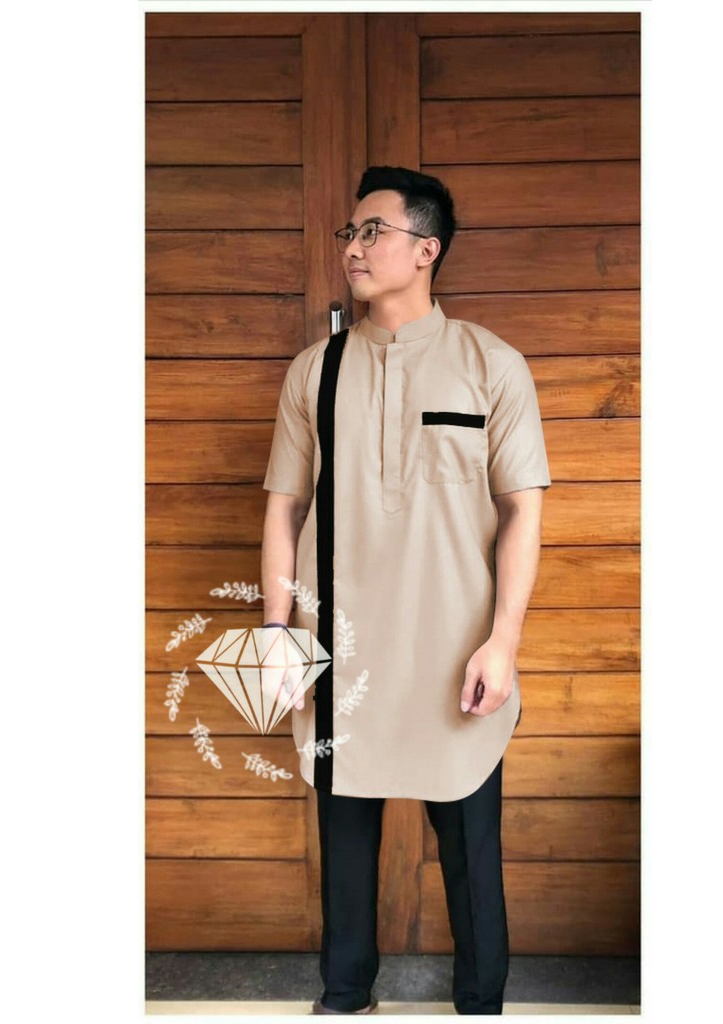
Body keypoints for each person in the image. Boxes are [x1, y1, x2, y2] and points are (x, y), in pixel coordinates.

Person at [260, 166, 551, 1014]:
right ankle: (345, 996)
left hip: (456, 654)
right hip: (339, 654)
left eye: (372, 232)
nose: (353, 248)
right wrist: (277, 632)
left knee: (471, 854)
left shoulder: (492, 365)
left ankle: (480, 1004)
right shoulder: (315, 371)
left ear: (426, 249)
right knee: (344, 853)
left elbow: (522, 512)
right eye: (349, 234)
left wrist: (503, 642)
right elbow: (284, 509)